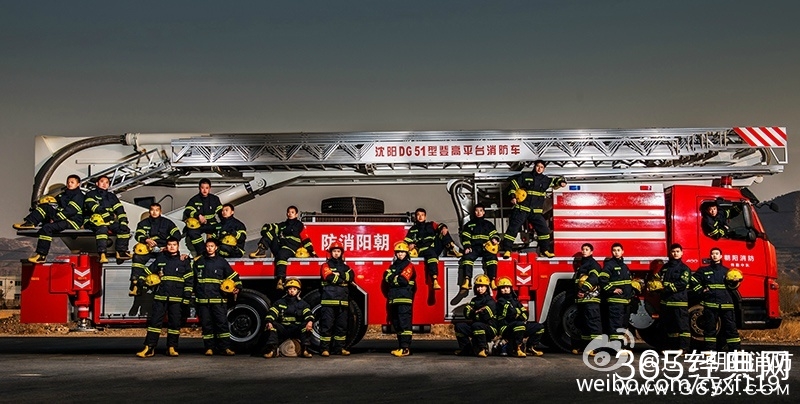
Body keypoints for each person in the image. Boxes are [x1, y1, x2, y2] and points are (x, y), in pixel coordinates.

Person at [136, 237, 193, 358]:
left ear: (178, 246)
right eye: (169, 244)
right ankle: (149, 348)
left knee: (174, 324)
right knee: (154, 323)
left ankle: (171, 347)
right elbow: (147, 271)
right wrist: (142, 281)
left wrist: (187, 297)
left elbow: (189, 281)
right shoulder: (160, 259)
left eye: (174, 244)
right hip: (160, 298)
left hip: (176, 299)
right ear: (166, 246)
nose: (172, 247)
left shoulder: (184, 261)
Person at [500, 160, 566, 259]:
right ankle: (507, 250)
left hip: (535, 212)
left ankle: (544, 250)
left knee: (544, 231)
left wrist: (561, 182)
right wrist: (513, 196)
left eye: (541, 167)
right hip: (522, 209)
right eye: (537, 166)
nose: (539, 169)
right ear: (534, 166)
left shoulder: (545, 180)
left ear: (544, 169)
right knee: (512, 229)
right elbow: (514, 185)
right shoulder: (525, 176)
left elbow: (556, 181)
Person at [14, 174, 85, 263]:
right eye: (68, 182)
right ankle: (30, 222)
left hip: (72, 221)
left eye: (72, 182)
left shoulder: (78, 197)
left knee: (47, 228)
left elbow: (70, 211)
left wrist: (55, 218)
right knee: (46, 207)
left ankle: (41, 255)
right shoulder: (63, 195)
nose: (69, 184)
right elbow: (56, 206)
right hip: (61, 218)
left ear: (78, 184)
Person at [249, 205, 316, 290]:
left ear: (296, 214)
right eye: (288, 212)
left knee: (281, 255)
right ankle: (261, 251)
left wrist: (311, 251)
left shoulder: (299, 225)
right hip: (281, 246)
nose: (290, 214)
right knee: (271, 233)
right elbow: (272, 226)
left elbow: (305, 239)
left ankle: (280, 279)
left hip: (290, 248)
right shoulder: (283, 225)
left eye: (292, 212)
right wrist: (265, 229)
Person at [194, 238, 241, 356]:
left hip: (218, 300)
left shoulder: (221, 262)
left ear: (216, 248)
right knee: (206, 325)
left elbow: (233, 276)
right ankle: (209, 348)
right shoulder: (199, 262)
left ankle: (225, 348)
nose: (209, 248)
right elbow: (192, 279)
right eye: (207, 246)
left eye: (211, 246)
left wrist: (238, 286)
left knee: (222, 324)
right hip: (203, 300)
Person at [691, 247, 741, 351]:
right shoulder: (704, 271)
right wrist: (700, 290)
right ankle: (710, 350)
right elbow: (693, 280)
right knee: (710, 328)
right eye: (712, 254)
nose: (714, 255)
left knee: (731, 327)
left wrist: (736, 281)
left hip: (726, 304)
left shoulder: (728, 272)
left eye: (717, 253)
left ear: (721, 256)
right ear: (710, 256)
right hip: (710, 304)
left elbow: (733, 287)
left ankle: (735, 350)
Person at [130, 202, 181, 296]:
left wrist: (167, 247)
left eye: (157, 210)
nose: (154, 212)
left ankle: (153, 285)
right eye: (152, 210)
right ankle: (135, 283)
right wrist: (146, 239)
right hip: (148, 249)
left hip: (163, 249)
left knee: (160, 263)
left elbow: (177, 235)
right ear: (149, 211)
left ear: (160, 211)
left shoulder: (167, 223)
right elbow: (138, 235)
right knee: (137, 257)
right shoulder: (143, 223)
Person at [83, 175, 132, 264]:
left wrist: (123, 222)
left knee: (124, 230)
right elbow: (91, 206)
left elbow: (120, 210)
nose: (104, 184)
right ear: (97, 183)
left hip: (109, 220)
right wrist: (104, 213)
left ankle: (121, 252)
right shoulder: (91, 194)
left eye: (107, 182)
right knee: (102, 229)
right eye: (102, 182)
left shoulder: (112, 196)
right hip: (93, 221)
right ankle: (102, 253)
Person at [262, 278, 314, 359]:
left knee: (305, 325)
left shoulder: (303, 304)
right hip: (284, 329)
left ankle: (305, 350)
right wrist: (269, 321)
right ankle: (272, 350)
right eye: (290, 289)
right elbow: (272, 313)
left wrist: (310, 322)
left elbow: (308, 314)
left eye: (294, 289)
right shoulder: (279, 303)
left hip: (296, 329)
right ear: (286, 290)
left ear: (298, 291)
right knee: (273, 325)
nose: (292, 291)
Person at [318, 241, 354, 357]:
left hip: (342, 302)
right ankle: (325, 349)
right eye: (334, 251)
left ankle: (340, 348)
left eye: (338, 251)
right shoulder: (325, 265)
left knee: (341, 327)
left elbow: (351, 276)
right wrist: (342, 279)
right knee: (327, 326)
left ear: (341, 253)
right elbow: (328, 276)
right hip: (328, 301)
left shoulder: (346, 267)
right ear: (330, 253)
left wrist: (340, 275)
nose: (336, 254)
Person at [495, 277, 545, 357]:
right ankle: (518, 348)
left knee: (539, 327)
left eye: (507, 287)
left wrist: (517, 313)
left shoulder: (515, 301)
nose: (505, 289)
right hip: (505, 327)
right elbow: (510, 314)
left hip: (518, 325)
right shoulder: (500, 302)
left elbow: (525, 315)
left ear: (511, 289)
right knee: (520, 324)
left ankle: (530, 348)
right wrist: (518, 313)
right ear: (499, 290)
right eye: (503, 288)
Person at [403, 208, 452, 290]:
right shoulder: (413, 229)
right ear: (415, 217)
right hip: (423, 250)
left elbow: (439, 226)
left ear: (425, 217)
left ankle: (451, 248)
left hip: (434, 247)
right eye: (418, 215)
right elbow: (406, 242)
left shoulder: (431, 225)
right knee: (431, 254)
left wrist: (444, 227)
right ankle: (434, 279)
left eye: (422, 215)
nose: (420, 217)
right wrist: (410, 245)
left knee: (444, 231)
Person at [384, 241, 416, 357]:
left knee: (404, 324)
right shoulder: (393, 266)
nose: (400, 254)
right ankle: (400, 347)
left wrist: (394, 278)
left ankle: (405, 348)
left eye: (402, 252)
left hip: (404, 299)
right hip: (394, 299)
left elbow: (403, 280)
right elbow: (386, 277)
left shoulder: (409, 265)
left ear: (406, 253)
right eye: (398, 252)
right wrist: (395, 277)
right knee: (397, 324)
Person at [598, 243, 632, 352]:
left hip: (624, 301)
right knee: (615, 324)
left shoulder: (624, 266)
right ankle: (615, 348)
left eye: (618, 250)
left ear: (622, 252)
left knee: (622, 325)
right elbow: (602, 280)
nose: (616, 252)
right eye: (614, 250)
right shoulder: (610, 265)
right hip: (615, 301)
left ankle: (620, 347)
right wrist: (612, 290)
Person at [659, 243, 692, 353]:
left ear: (682, 253)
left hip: (679, 302)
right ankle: (670, 347)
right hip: (666, 303)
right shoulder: (665, 268)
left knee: (683, 327)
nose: (675, 253)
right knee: (668, 327)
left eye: (677, 251)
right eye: (673, 252)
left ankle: (684, 348)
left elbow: (682, 283)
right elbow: (659, 280)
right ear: (670, 253)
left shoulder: (684, 268)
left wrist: (666, 288)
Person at [459, 204, 500, 290]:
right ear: (474, 212)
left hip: (486, 248)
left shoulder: (488, 224)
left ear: (484, 212)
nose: (478, 213)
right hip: (474, 248)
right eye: (476, 211)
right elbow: (465, 237)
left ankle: (492, 281)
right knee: (467, 258)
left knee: (492, 259)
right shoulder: (469, 225)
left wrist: (495, 239)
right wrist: (467, 246)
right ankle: (467, 280)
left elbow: (495, 234)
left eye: (481, 210)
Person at [454, 274, 497, 357]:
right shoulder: (474, 300)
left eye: (482, 287)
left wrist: (473, 312)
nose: (479, 289)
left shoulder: (490, 301)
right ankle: (466, 349)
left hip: (490, 328)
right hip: (476, 326)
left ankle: (482, 349)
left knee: (477, 325)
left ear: (487, 288)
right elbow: (467, 314)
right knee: (459, 326)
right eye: (478, 287)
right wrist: (477, 312)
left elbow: (484, 316)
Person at [572, 243, 602, 356]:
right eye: (583, 249)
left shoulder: (593, 264)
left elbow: (593, 278)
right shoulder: (583, 265)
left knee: (593, 324)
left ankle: (597, 349)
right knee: (584, 325)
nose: (584, 251)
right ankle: (584, 347)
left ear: (591, 252)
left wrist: (583, 290)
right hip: (583, 300)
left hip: (591, 299)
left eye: (587, 249)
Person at [183, 178, 222, 258]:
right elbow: (187, 210)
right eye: (202, 188)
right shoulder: (194, 199)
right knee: (191, 232)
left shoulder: (215, 199)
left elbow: (221, 212)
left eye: (207, 188)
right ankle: (202, 253)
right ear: (199, 188)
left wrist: (225, 223)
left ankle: (216, 254)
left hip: (212, 224)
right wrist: (198, 216)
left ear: (210, 188)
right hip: (199, 225)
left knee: (221, 229)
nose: (204, 190)